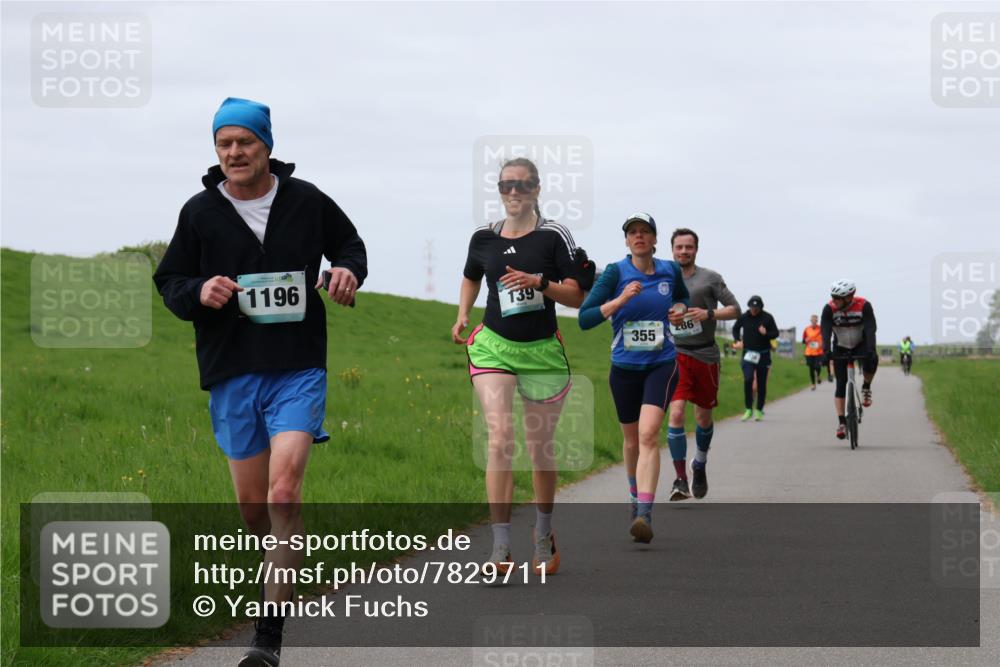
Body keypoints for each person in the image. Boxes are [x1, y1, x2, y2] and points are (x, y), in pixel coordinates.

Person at [153, 98, 367, 667]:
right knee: (255, 510)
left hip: (298, 367)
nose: (234, 153)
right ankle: (284, 547)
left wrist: (347, 270)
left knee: (282, 493)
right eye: (224, 144)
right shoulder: (200, 212)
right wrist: (197, 292)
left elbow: (349, 246)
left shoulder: (306, 200)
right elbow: (171, 279)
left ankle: (266, 639)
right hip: (232, 371)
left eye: (244, 142)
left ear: (266, 145)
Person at [452, 157, 585, 575]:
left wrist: (540, 283)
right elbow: (472, 275)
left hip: (541, 351)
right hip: (494, 346)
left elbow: (577, 296)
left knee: (540, 449)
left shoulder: (554, 236)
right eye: (506, 185)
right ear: (499, 189)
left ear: (537, 189)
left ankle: (543, 533)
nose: (514, 192)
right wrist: (462, 314)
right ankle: (501, 545)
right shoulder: (483, 237)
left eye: (522, 185)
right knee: (499, 438)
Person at [578, 213, 688, 542]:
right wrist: (621, 298)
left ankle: (644, 513)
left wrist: (680, 310)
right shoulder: (615, 273)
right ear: (626, 241)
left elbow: (683, 299)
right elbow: (585, 318)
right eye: (632, 233)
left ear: (655, 240)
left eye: (645, 232)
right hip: (624, 368)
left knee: (649, 435)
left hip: (661, 363)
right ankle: (633, 495)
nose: (639, 237)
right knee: (630, 441)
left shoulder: (670, 270)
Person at [665, 228, 740, 501]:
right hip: (676, 353)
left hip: (705, 355)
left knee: (702, 417)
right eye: (679, 247)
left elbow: (735, 309)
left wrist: (708, 313)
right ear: (671, 249)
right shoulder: (662, 276)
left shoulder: (710, 278)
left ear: (696, 250)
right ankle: (680, 478)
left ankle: (699, 463)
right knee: (675, 414)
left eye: (688, 247)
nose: (683, 251)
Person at [821, 279, 878, 440]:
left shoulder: (863, 305)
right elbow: (825, 330)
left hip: (861, 343)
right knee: (840, 384)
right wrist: (825, 351)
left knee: (872, 360)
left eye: (837, 298)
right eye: (833, 297)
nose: (834, 300)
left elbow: (870, 328)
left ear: (849, 297)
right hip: (840, 345)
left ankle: (866, 386)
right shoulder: (829, 308)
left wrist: (871, 349)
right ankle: (841, 422)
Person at [732, 296, 779, 421]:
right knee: (748, 379)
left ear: (760, 307)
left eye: (756, 308)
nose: (754, 310)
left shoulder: (767, 318)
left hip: (763, 355)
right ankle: (748, 408)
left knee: (761, 384)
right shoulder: (744, 317)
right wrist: (737, 340)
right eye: (752, 308)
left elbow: (776, 333)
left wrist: (766, 334)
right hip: (748, 354)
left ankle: (759, 409)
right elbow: (735, 328)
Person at [803, 314, 825, 390]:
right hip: (809, 352)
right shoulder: (807, 329)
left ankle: (818, 375)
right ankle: (813, 384)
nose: (814, 322)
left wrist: (822, 343)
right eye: (812, 321)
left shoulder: (821, 329)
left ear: (817, 321)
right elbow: (803, 340)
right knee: (811, 368)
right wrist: (805, 340)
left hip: (819, 352)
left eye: (815, 321)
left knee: (817, 366)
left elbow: (825, 338)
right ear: (811, 321)